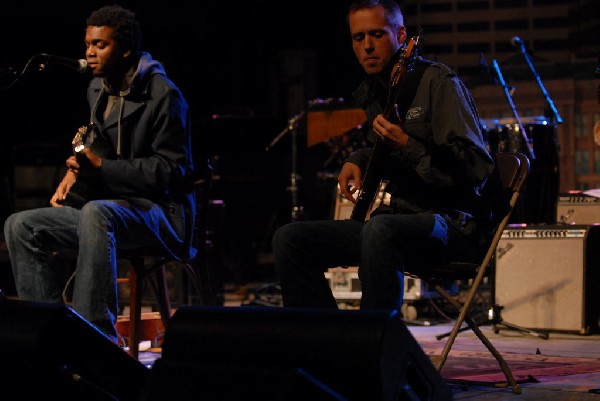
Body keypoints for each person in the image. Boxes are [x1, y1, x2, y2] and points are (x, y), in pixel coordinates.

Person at [272, 0, 495, 311]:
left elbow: (475, 166)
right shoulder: (378, 91)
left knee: (379, 229)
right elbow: (388, 154)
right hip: (397, 222)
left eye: (376, 35)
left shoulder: (437, 82)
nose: (367, 47)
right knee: (290, 239)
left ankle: (374, 343)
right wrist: (361, 157)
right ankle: (325, 340)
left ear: (400, 34)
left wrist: (408, 143)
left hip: (451, 224)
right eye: (358, 38)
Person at [3, 5, 195, 343]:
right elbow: (99, 144)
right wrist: (77, 171)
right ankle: (47, 337)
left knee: (96, 213)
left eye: (100, 45)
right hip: (110, 212)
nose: (90, 53)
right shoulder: (98, 89)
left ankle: (92, 340)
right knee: (20, 226)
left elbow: (172, 171)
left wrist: (103, 168)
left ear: (124, 48)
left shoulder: (163, 94)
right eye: (88, 44)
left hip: (161, 215)